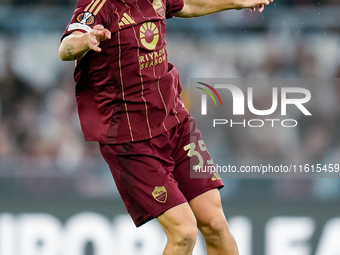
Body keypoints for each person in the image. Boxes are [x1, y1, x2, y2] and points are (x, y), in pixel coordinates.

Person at [59, 0, 272, 253]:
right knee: (183, 232)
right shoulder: (100, 5)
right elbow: (66, 48)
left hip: (176, 125)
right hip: (132, 140)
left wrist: (235, 3)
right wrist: (86, 41)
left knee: (215, 223)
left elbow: (189, 5)